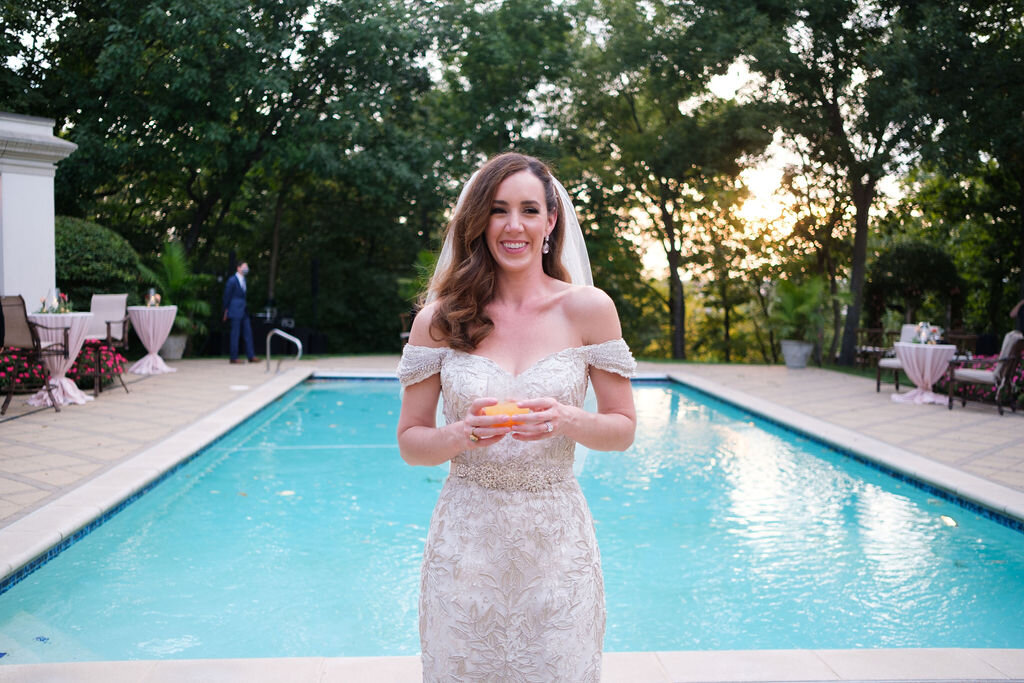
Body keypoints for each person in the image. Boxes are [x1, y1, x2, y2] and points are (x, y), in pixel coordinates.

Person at [396, 152, 637, 681]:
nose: (513, 226)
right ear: (478, 221)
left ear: (551, 221)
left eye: (529, 210)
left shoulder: (589, 309)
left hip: (557, 549)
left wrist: (567, 419)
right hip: (466, 549)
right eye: (499, 210)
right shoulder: (438, 320)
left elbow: (622, 430)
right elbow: (411, 442)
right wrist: (461, 434)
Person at [222, 261, 258, 364]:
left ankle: (251, 356)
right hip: (234, 310)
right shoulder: (232, 280)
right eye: (244, 266)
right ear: (238, 268)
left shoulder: (244, 280)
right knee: (235, 334)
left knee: (248, 333)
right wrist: (225, 310)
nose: (246, 268)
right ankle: (234, 357)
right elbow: (226, 296)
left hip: (244, 311)